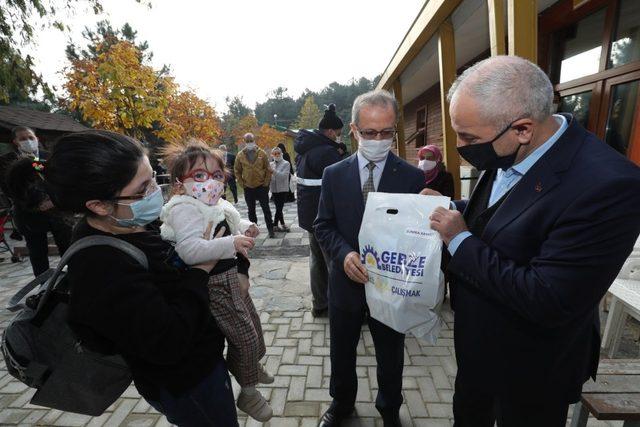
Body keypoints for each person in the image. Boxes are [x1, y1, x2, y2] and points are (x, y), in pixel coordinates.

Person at [425, 56, 640, 427]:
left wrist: (459, 239)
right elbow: (506, 213)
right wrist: (453, 208)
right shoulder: (505, 144)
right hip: (476, 352)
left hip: (533, 369)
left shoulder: (609, 186)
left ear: (523, 129)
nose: (461, 147)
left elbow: (548, 298)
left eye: (469, 138)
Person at [44, 130, 239, 426]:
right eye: (143, 187)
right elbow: (168, 341)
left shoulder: (133, 223)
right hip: (186, 382)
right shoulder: (101, 265)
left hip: (203, 362)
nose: (155, 192)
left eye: (153, 179)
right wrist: (201, 269)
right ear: (98, 205)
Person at [314, 90, 425, 426]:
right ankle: (342, 403)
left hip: (390, 288)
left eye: (387, 132)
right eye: (370, 132)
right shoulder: (334, 174)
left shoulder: (412, 176)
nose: (379, 140)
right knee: (342, 350)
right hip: (346, 283)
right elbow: (323, 225)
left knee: (391, 354)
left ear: (396, 130)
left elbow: (416, 236)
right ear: (354, 130)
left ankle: (389, 408)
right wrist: (344, 254)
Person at [159, 142, 274, 422]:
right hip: (215, 284)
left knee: (254, 330)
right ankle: (248, 391)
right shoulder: (183, 208)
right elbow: (190, 250)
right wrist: (231, 243)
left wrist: (246, 227)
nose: (209, 181)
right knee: (244, 338)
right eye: (199, 175)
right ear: (179, 184)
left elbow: (231, 220)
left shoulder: (213, 202)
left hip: (230, 277)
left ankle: (249, 367)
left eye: (216, 175)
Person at [295, 103, 344, 317]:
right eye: (339, 134)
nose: (339, 138)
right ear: (331, 132)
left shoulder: (305, 150)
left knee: (316, 261)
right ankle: (340, 308)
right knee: (333, 262)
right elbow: (341, 182)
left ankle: (320, 304)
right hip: (324, 217)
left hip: (308, 216)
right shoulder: (326, 152)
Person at [3, 127, 72, 276]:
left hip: (57, 212)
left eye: (30, 137)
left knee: (68, 249)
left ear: (37, 139)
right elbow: (10, 189)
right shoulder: (7, 162)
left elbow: (58, 179)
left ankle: (72, 279)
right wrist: (36, 204)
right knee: (38, 253)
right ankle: (43, 287)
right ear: (15, 142)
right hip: (29, 215)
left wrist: (54, 200)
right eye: (23, 139)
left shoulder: (48, 157)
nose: (28, 141)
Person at [234, 133, 275, 238]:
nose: (249, 143)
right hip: (248, 187)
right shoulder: (240, 155)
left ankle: (271, 229)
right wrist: (242, 183)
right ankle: (253, 231)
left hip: (261, 186)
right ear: (244, 142)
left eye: (251, 141)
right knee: (251, 210)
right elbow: (237, 171)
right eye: (247, 141)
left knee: (266, 209)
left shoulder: (262, 153)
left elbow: (268, 169)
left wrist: (266, 183)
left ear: (254, 140)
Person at [270, 146, 292, 232]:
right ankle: (282, 224)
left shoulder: (286, 163)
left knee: (279, 208)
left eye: (278, 153)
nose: (277, 155)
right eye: (275, 153)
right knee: (278, 208)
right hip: (274, 189)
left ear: (281, 153)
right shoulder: (270, 164)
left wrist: (273, 171)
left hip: (283, 189)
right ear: (272, 155)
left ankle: (275, 225)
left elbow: (283, 176)